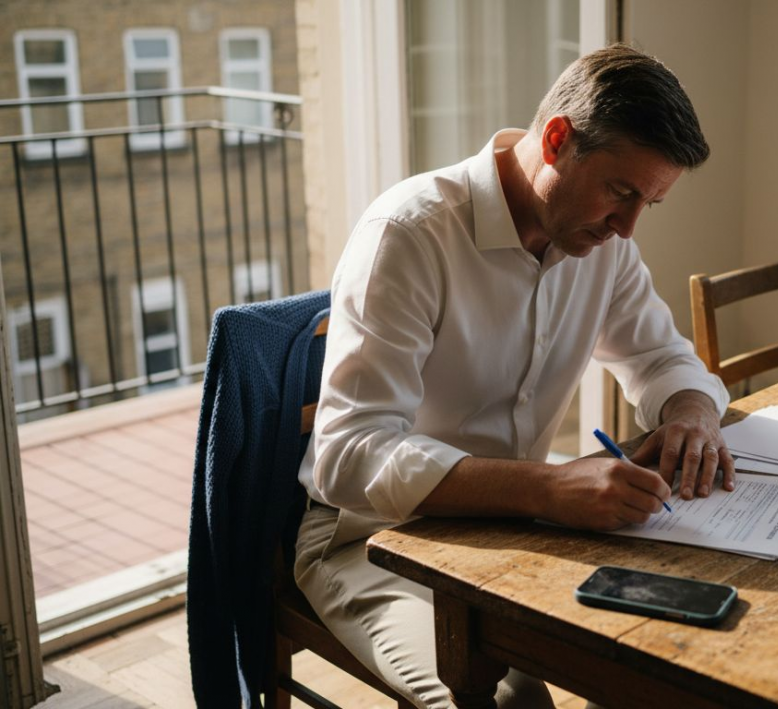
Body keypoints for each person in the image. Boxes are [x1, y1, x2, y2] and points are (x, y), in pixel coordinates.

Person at [294, 43, 734, 707]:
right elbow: (350, 457)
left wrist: (694, 412)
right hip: (372, 538)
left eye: (650, 203)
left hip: (515, 522)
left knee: (660, 655)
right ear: (557, 140)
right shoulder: (409, 234)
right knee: (511, 703)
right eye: (621, 193)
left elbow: (659, 357)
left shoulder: (604, 247)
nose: (627, 227)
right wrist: (548, 488)